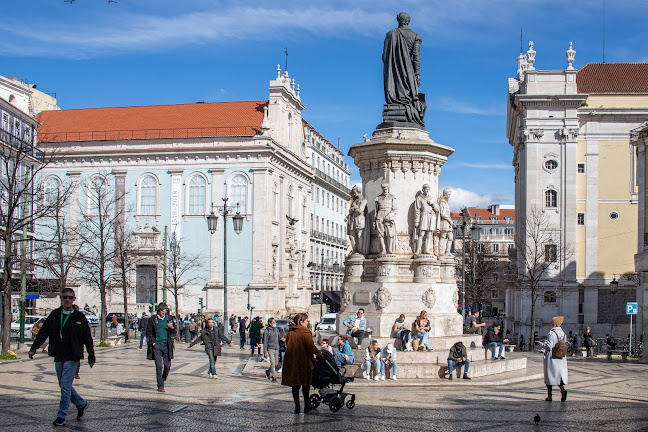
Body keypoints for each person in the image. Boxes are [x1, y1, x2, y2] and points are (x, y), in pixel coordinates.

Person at [28, 288, 95, 426]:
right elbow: (43, 333)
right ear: (61, 298)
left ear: (74, 299)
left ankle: (61, 415)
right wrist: (33, 348)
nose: (67, 300)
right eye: (65, 297)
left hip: (73, 355)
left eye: (70, 297)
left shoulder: (79, 317)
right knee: (63, 385)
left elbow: (87, 337)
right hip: (58, 354)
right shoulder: (54, 315)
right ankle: (81, 403)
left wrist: (91, 355)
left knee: (65, 386)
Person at [381, 12, 426, 127]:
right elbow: (416, 57)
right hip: (408, 73)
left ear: (398, 20)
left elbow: (384, 57)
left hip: (393, 73)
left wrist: (394, 64)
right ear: (408, 21)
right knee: (409, 96)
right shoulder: (415, 36)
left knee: (394, 93)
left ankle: (395, 109)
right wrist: (416, 74)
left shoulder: (390, 34)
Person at [281, 313, 322, 415]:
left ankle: (297, 406)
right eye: (306, 321)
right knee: (305, 385)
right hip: (304, 362)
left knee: (295, 386)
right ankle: (306, 406)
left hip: (292, 361)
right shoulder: (306, 333)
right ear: (301, 322)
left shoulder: (290, 333)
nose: (308, 323)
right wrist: (320, 355)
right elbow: (311, 347)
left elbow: (287, 344)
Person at [536, 316, 568, 402]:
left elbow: (549, 346)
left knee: (549, 376)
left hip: (552, 357)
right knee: (559, 376)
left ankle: (549, 396)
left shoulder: (551, 333)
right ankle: (562, 390)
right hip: (561, 357)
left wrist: (541, 344)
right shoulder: (563, 333)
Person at [146, 302, 176, 392]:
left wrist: (171, 328)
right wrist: (153, 342)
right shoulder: (153, 319)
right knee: (159, 366)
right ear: (159, 310)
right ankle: (160, 386)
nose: (164, 312)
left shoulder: (169, 318)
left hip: (167, 344)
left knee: (167, 365)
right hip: (157, 345)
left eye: (165, 310)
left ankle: (162, 379)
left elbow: (175, 332)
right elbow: (148, 331)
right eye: (163, 310)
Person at [413, 184, 439, 255]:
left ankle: (427, 250)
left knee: (429, 234)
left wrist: (433, 204)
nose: (427, 190)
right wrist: (416, 221)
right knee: (421, 233)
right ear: (423, 190)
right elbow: (417, 210)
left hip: (431, 216)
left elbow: (437, 209)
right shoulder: (419, 198)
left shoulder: (432, 198)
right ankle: (418, 250)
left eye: (428, 189)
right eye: (426, 189)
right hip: (424, 215)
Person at [374, 182, 397, 255]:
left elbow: (394, 209)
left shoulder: (392, 197)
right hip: (380, 215)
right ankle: (383, 249)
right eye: (384, 188)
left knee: (390, 234)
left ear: (388, 188)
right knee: (380, 234)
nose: (385, 189)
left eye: (386, 188)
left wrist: (391, 216)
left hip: (388, 215)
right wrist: (375, 220)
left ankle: (389, 249)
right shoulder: (378, 198)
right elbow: (376, 210)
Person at [345, 185, 369, 255]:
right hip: (353, 220)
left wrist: (354, 208)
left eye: (354, 192)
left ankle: (361, 251)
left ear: (359, 192)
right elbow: (351, 211)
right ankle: (355, 250)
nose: (354, 194)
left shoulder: (363, 200)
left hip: (359, 220)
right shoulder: (354, 201)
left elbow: (360, 210)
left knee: (359, 235)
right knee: (351, 236)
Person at [263, 317, 282, 382]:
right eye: (273, 322)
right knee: (273, 363)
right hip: (270, 348)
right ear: (270, 323)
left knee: (276, 363)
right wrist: (265, 352)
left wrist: (282, 331)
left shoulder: (276, 330)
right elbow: (265, 341)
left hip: (277, 348)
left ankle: (268, 371)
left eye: (275, 322)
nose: (275, 324)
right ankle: (274, 377)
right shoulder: (267, 331)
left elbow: (279, 337)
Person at [436, 188, 454, 257]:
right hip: (444, 222)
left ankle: (447, 251)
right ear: (445, 194)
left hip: (448, 222)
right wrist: (449, 220)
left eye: (450, 194)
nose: (449, 196)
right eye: (448, 194)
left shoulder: (446, 202)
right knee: (443, 236)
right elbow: (443, 214)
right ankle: (440, 251)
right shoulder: (442, 202)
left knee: (450, 237)